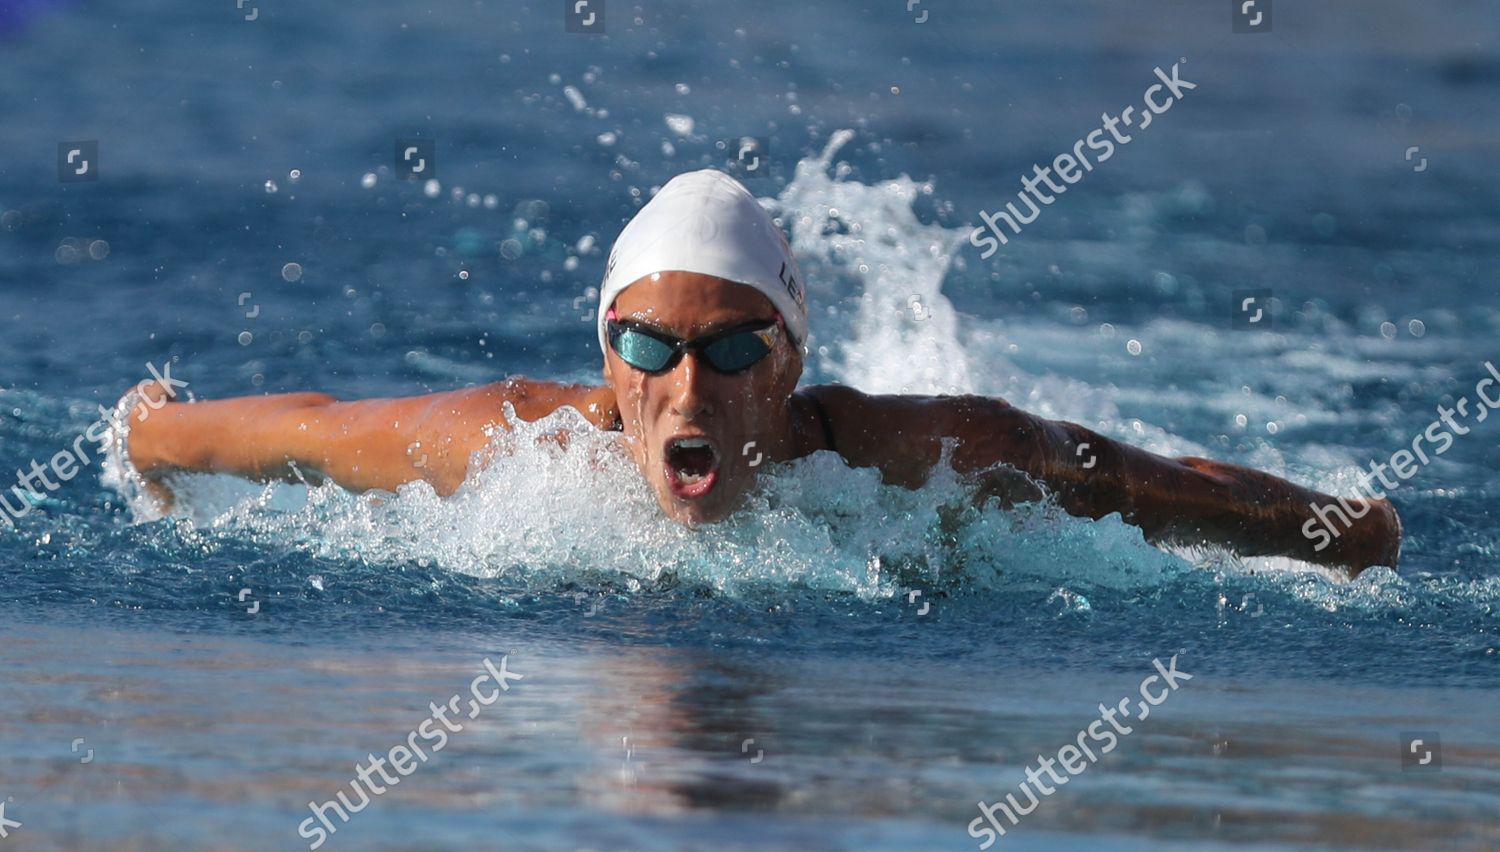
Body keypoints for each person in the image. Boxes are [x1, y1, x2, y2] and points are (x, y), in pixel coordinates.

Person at [117, 169, 1400, 576]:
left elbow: (1135, 480)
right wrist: (153, 438)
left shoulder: (909, 456)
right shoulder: (518, 451)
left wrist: (1343, 529)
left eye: (733, 348)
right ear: (604, 357)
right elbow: (306, 431)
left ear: (786, 366)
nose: (688, 387)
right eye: (649, 347)